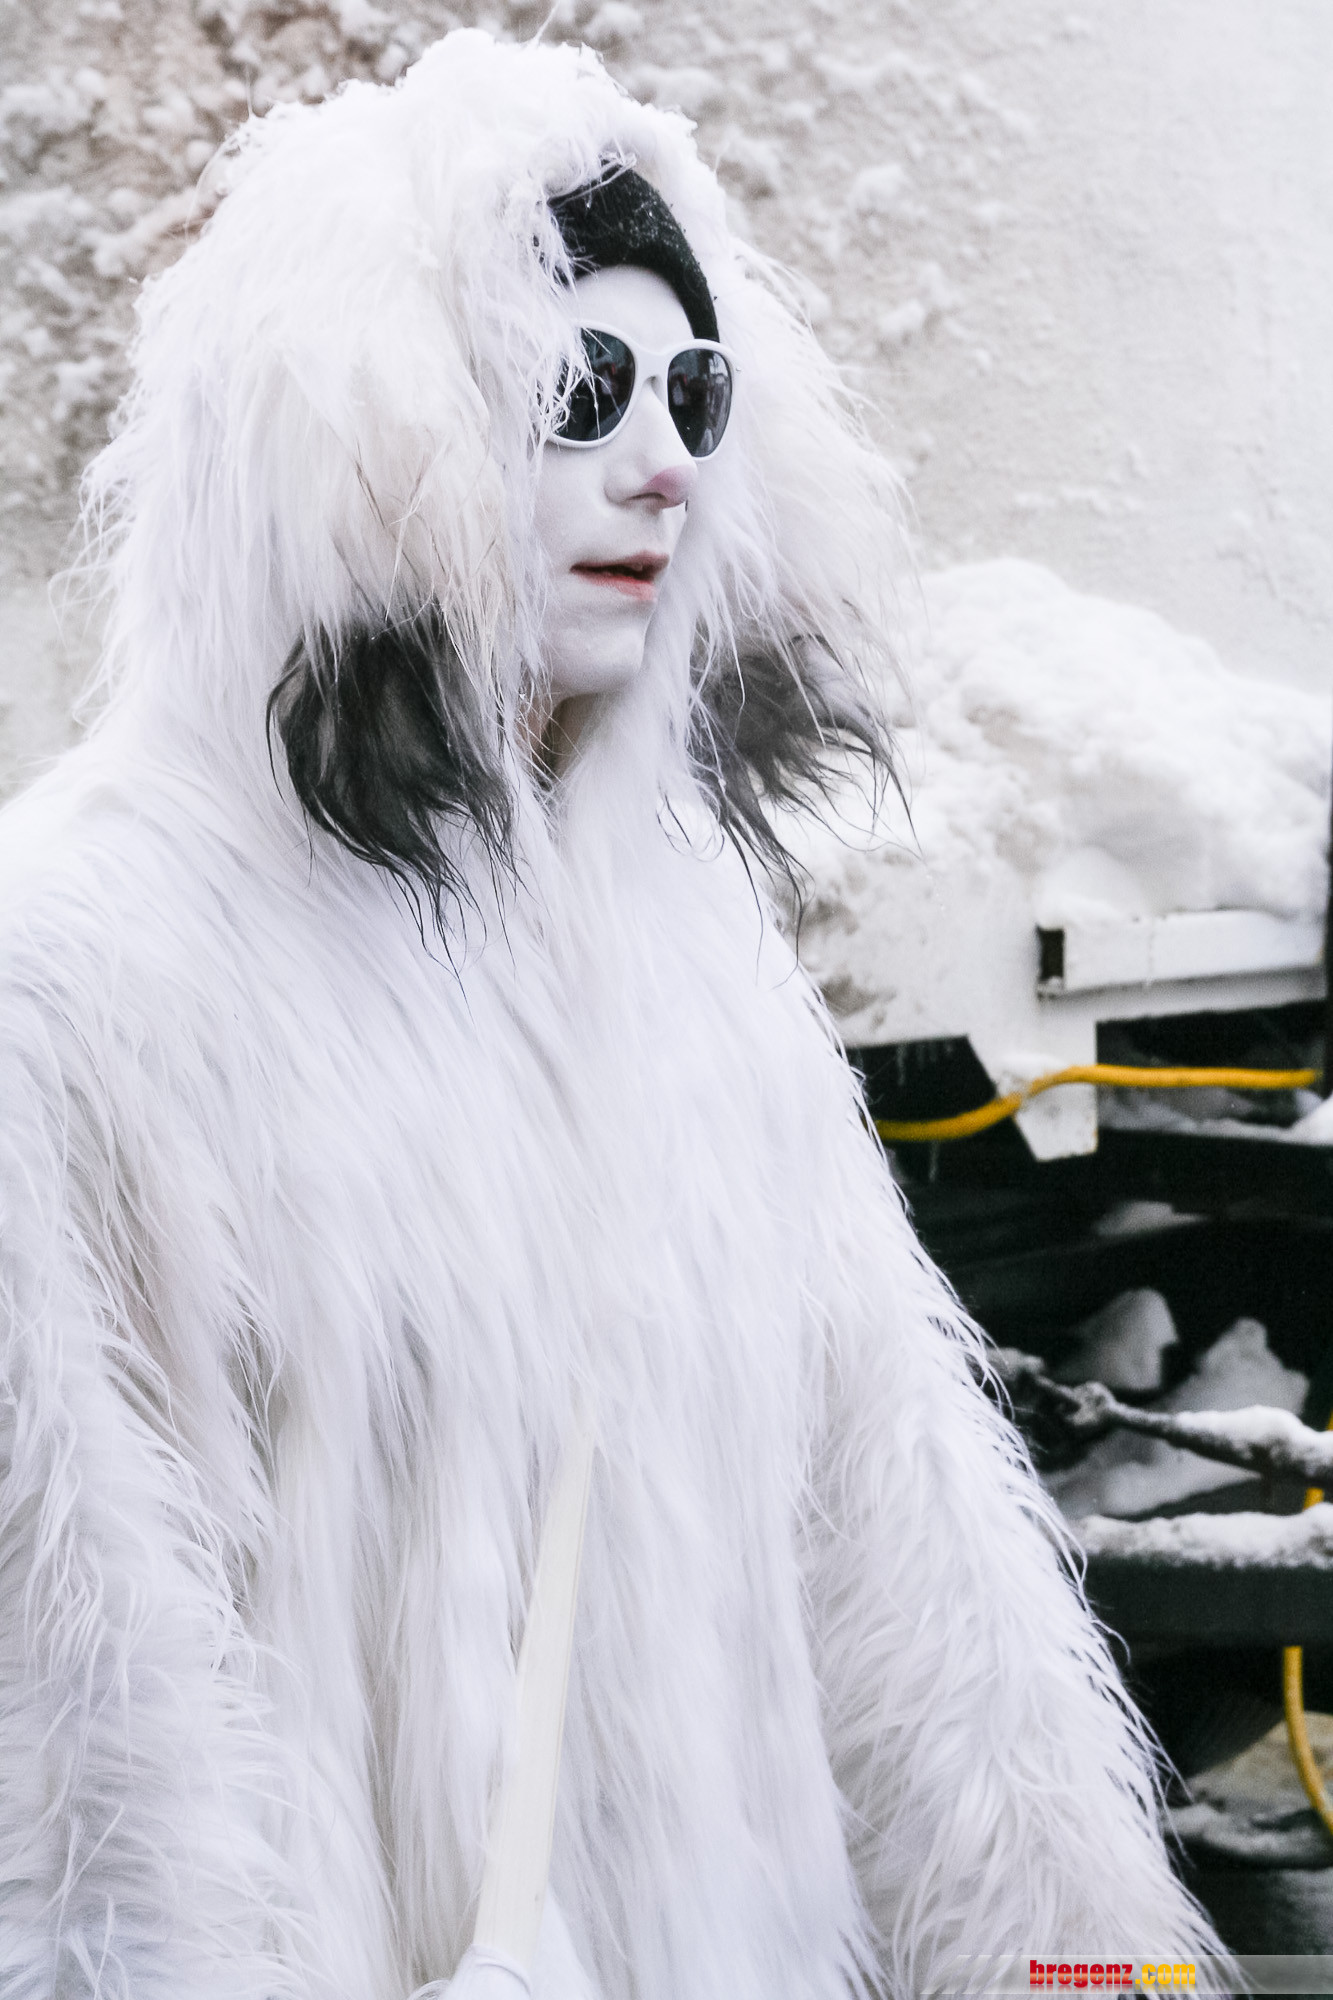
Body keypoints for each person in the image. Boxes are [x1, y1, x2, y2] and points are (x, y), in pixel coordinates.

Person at [0, 28, 1219, 2000]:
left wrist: (1083, 1971)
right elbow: (72, 1734)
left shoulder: (693, 959)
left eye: (694, 393)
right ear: (367, 446)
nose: (662, 461)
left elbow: (913, 1579)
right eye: (580, 391)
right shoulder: (81, 966)